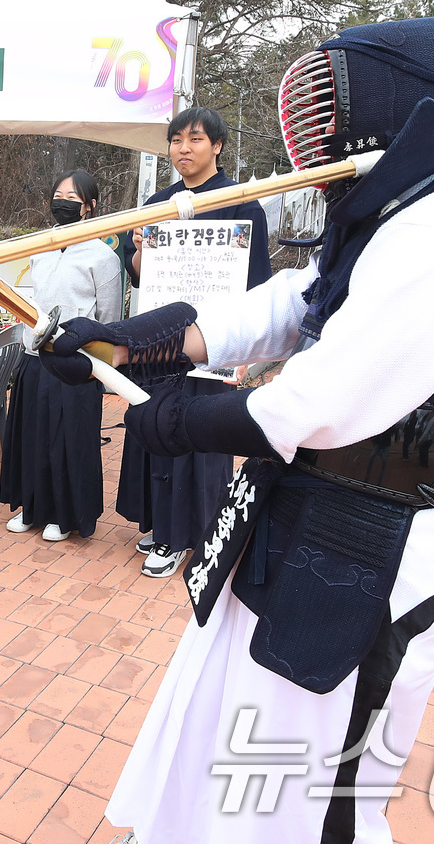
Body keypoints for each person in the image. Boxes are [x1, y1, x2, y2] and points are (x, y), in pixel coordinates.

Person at [43, 15, 434, 843]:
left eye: (338, 113)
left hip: (374, 552)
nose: (325, 137)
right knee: (228, 737)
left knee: (310, 791)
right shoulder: (392, 220)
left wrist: (170, 418)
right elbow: (283, 307)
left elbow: (314, 400)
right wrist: (131, 340)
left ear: (400, 112)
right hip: (302, 517)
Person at [120, 106, 272, 577]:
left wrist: (250, 351)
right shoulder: (157, 203)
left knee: (199, 435)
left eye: (196, 139)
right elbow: (139, 276)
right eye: (176, 140)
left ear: (218, 146)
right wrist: (142, 250)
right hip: (160, 340)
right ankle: (162, 521)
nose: (183, 149)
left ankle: (186, 536)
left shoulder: (241, 201)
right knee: (156, 425)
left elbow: (258, 284)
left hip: (213, 343)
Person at [0, 169, 122, 541]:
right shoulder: (41, 246)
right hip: (35, 357)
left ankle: (64, 515)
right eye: (58, 194)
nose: (62, 202)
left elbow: (110, 319)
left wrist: (95, 363)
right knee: (32, 435)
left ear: (90, 206)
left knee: (68, 440)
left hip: (77, 362)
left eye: (72, 197)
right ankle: (32, 508)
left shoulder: (103, 257)